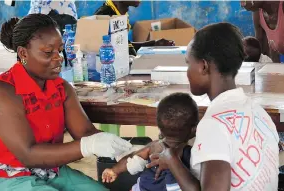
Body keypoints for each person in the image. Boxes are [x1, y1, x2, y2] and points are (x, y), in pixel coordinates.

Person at [0, 14, 133, 191]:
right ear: (23, 53)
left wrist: (125, 151)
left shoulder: (62, 88)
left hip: (48, 169)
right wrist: (90, 145)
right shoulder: (3, 92)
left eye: (60, 50)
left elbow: (86, 133)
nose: (58, 58)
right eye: (48, 53)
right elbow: (28, 155)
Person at [147, 23, 280, 190]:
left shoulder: (213, 124)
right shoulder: (258, 112)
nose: (187, 71)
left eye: (189, 63)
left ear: (204, 66)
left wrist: (171, 159)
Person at [102, 93, 199, 191]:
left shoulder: (154, 146)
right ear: (194, 130)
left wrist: (114, 170)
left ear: (159, 128)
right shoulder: (190, 153)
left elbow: (131, 158)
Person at [94, 0, 175, 56]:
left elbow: (124, 46)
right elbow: (104, 52)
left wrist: (154, 44)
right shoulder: (104, 15)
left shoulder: (118, 13)